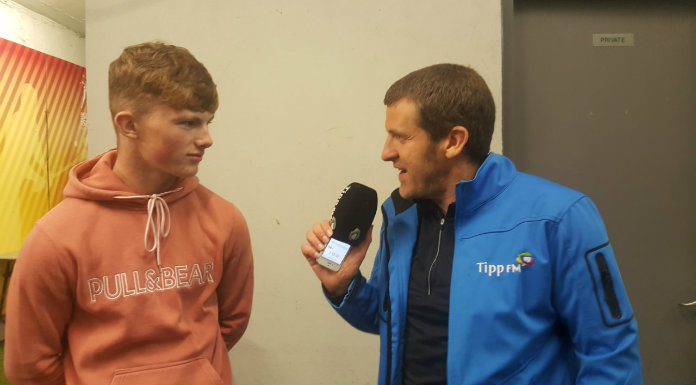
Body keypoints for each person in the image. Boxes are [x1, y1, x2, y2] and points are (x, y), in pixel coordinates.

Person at [302, 63, 642, 384]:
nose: (386, 152)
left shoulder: (559, 217)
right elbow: (392, 322)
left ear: (453, 141)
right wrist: (343, 286)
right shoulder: (400, 215)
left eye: (400, 137)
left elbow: (609, 351)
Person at [4, 42, 254, 385]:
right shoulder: (56, 237)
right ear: (129, 125)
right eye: (188, 123)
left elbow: (231, 322)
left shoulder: (224, 219)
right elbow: (30, 364)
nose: (206, 138)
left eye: (208, 122)